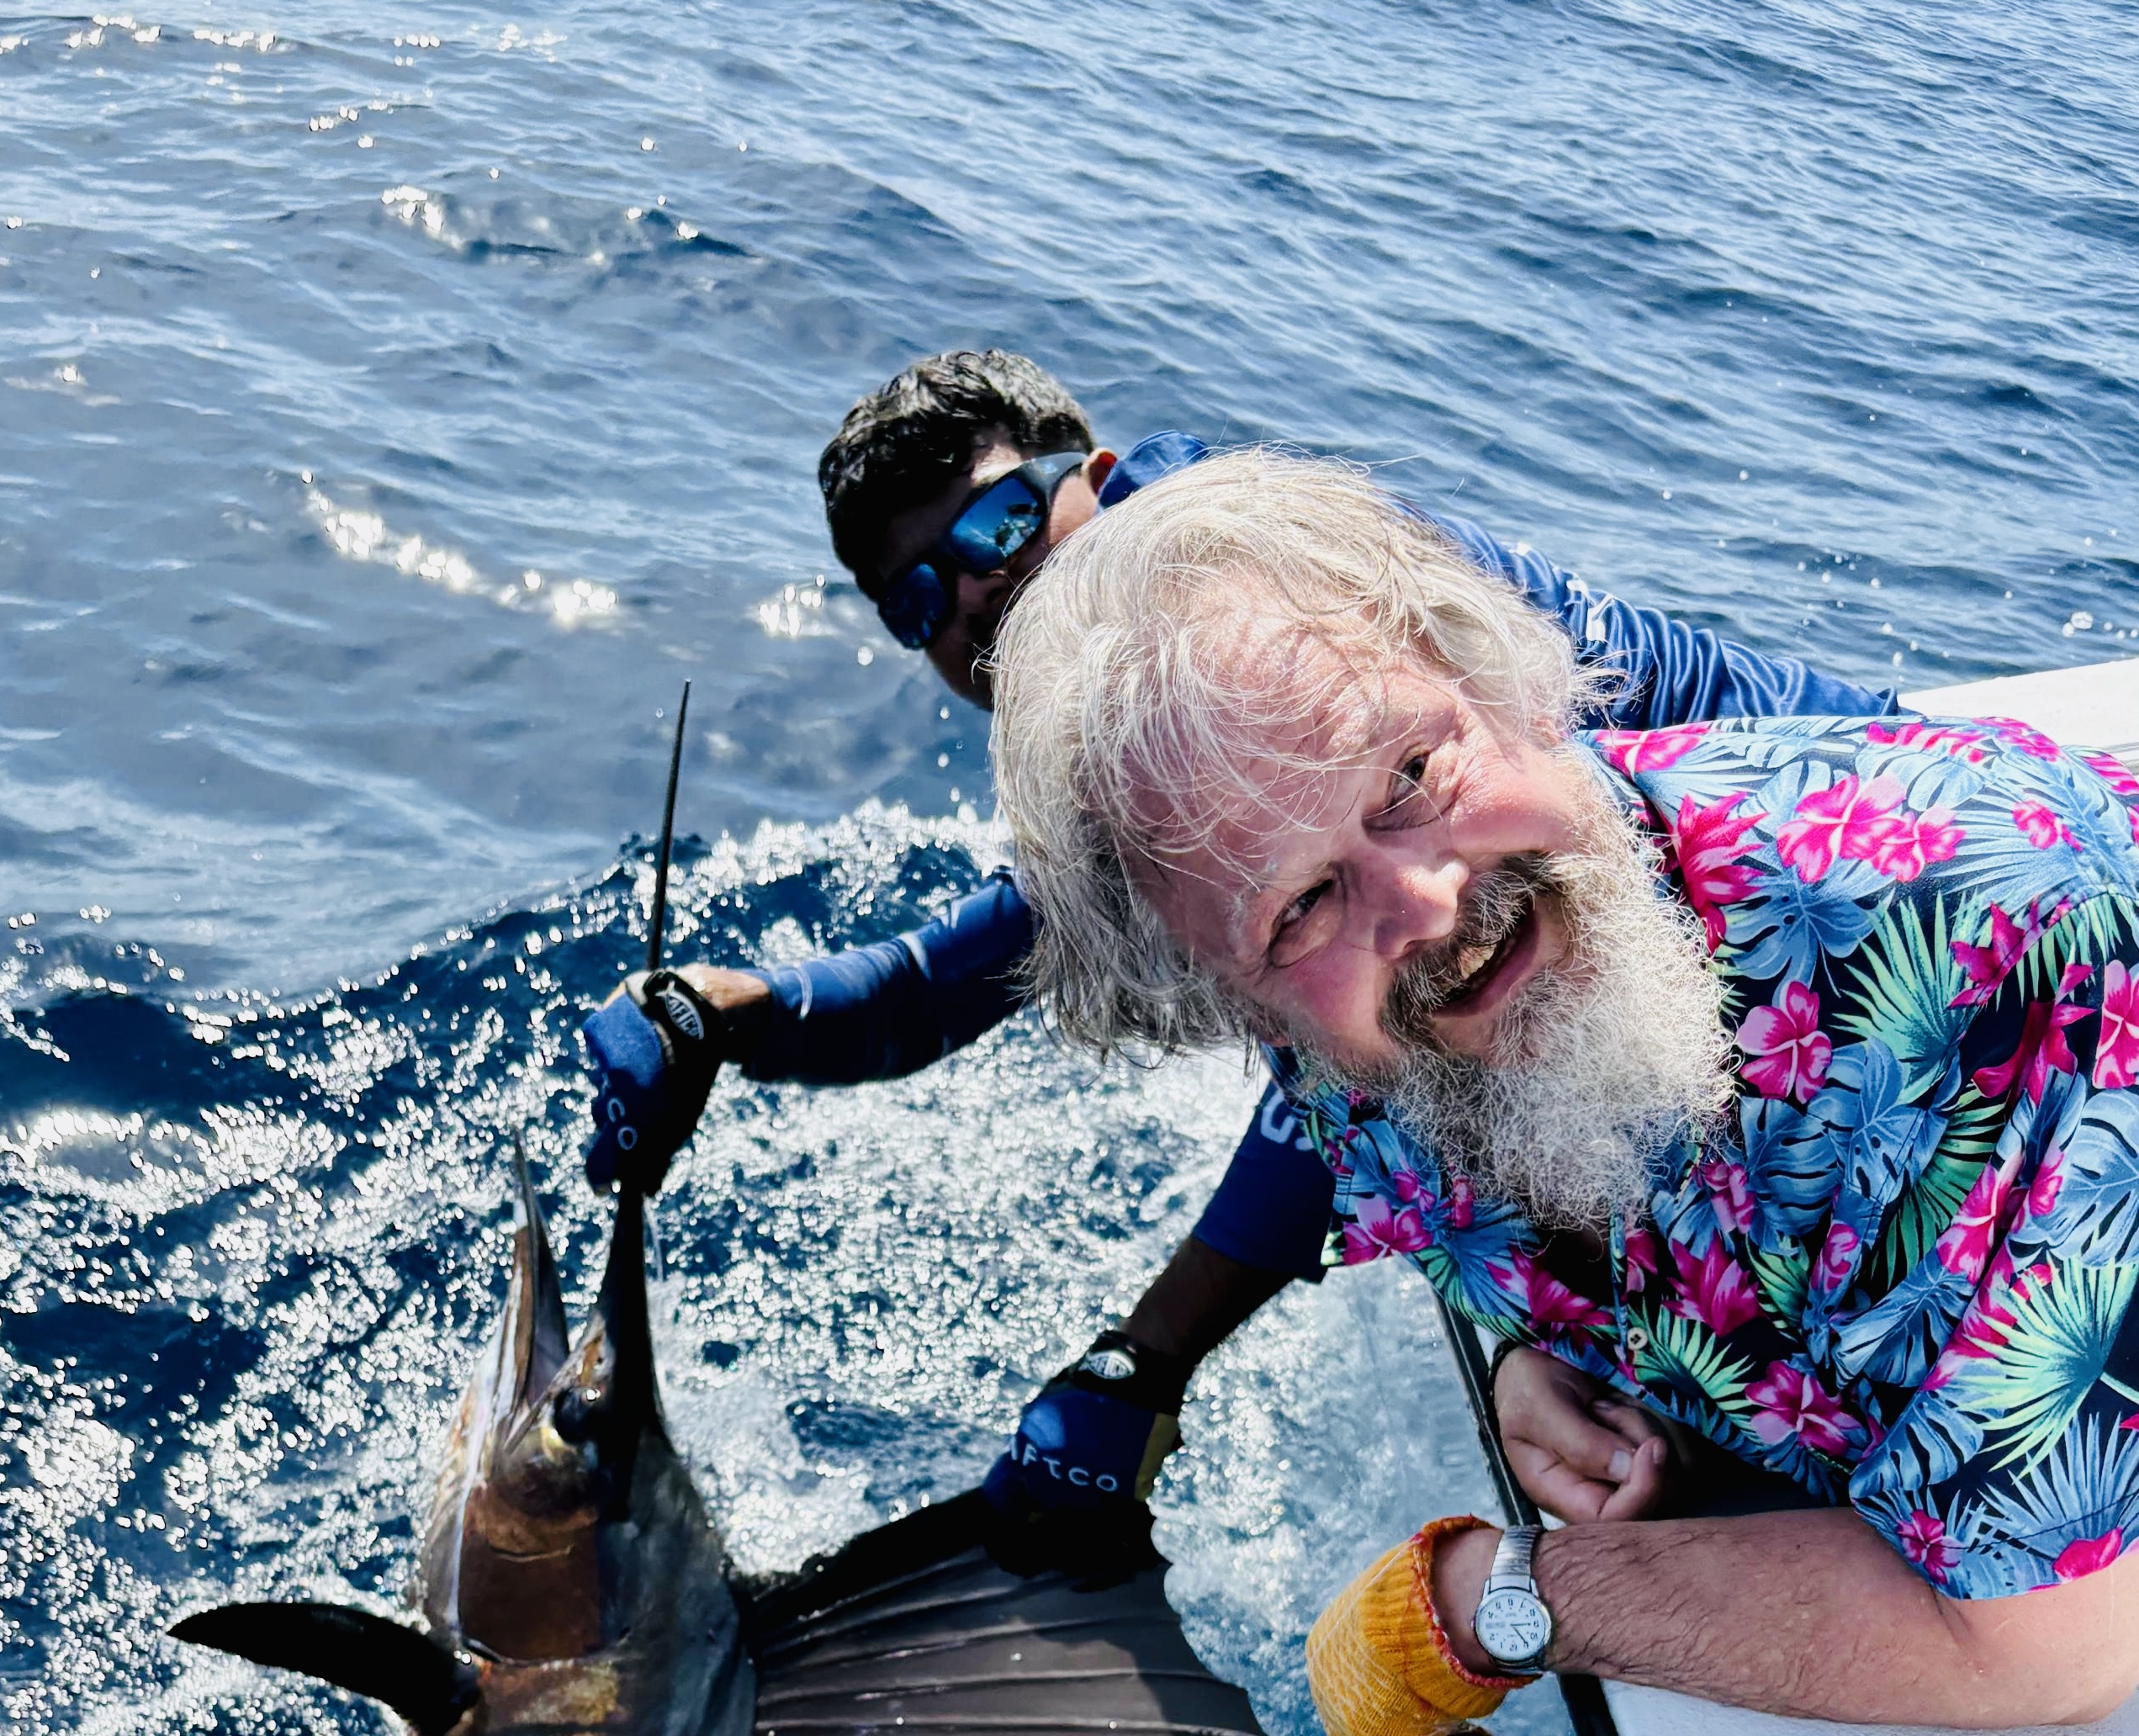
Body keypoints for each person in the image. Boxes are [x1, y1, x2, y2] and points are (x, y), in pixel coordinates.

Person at [982, 448, 2139, 1736]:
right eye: (1298, 908)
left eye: (1413, 772)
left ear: (1500, 679)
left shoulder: (1995, 943)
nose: (1421, 903)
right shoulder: (1361, 1045)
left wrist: (1492, 1606)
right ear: (1230, 1001)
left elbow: (2048, 1652)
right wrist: (1548, 1356)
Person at [584, 352, 1895, 1548]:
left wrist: (1145, 1361)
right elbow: (945, 983)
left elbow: (1350, 1080)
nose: (975, 590)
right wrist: (723, 1012)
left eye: (995, 524)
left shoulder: (1253, 621)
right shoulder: (1123, 724)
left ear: (1092, 478)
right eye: (918, 594)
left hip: (1865, 908)